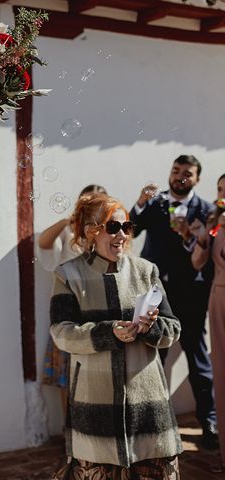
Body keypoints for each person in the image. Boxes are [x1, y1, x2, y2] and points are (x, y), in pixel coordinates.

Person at [50, 193, 182, 479]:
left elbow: (172, 328)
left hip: (149, 410)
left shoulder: (147, 271)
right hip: (94, 411)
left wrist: (151, 329)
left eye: (127, 227)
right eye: (112, 227)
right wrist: (107, 332)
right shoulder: (68, 275)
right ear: (90, 232)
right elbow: (61, 333)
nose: (121, 234)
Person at [130, 154, 217, 448]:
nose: (180, 176)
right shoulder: (154, 204)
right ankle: (147, 426)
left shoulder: (206, 211)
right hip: (153, 291)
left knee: (198, 359)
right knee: (150, 357)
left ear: (197, 179)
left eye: (187, 173)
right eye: (176, 170)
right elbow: (132, 228)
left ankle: (211, 425)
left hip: (191, 293)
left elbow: (209, 256)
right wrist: (140, 202)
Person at [38, 184, 106, 416]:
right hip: (71, 314)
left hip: (99, 314)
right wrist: (67, 221)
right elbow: (44, 244)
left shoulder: (110, 234)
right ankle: (70, 434)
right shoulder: (69, 232)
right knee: (68, 376)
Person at [191, 173, 225, 471]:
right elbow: (197, 262)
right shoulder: (215, 223)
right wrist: (203, 236)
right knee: (221, 371)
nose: (222, 195)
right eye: (219, 190)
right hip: (218, 299)